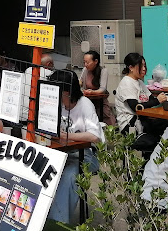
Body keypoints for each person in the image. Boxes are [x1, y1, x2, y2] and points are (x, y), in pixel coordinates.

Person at [48, 69, 104, 225]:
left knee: (68, 176)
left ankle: (57, 222)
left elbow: (95, 136)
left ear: (65, 91)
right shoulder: (55, 104)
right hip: (61, 153)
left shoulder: (84, 104)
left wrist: (67, 136)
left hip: (86, 155)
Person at [115, 53, 168, 136]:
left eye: (144, 66)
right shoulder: (126, 83)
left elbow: (151, 99)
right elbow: (136, 107)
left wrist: (162, 98)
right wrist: (157, 100)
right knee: (162, 129)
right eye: (140, 66)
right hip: (130, 124)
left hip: (142, 119)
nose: (144, 69)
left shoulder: (139, 82)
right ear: (131, 68)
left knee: (167, 123)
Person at [79, 50, 116, 125]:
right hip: (88, 100)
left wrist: (92, 92)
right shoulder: (85, 70)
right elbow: (80, 81)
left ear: (95, 61)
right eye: (84, 62)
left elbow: (102, 89)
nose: (85, 65)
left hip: (100, 101)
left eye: (88, 62)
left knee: (106, 117)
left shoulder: (103, 71)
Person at [21, 53, 56, 124]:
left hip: (21, 114)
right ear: (49, 64)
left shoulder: (28, 70)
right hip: (36, 116)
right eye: (53, 65)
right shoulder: (49, 74)